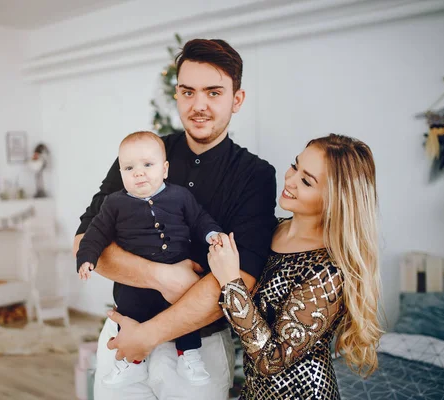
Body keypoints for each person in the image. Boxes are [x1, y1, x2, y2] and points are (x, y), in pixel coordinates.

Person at [73, 38, 278, 400]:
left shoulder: (255, 175)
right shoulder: (141, 153)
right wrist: (162, 276)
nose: (198, 105)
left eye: (214, 92)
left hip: (200, 347)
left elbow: (242, 279)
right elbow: (83, 241)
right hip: (125, 331)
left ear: (237, 99)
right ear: (177, 95)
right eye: (188, 92)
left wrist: (149, 336)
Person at [207, 134, 383, 400]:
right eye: (295, 166)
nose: (289, 180)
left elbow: (271, 360)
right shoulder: (270, 228)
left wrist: (231, 283)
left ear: (334, 199)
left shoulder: (328, 270)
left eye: (306, 181)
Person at [76, 131, 223, 387]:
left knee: (184, 311)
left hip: (179, 270)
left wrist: (212, 234)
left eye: (147, 165)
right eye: (129, 168)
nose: (139, 173)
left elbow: (199, 219)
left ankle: (189, 355)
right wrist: (87, 257)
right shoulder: (114, 204)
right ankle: (130, 364)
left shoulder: (180, 196)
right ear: (120, 173)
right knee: (129, 310)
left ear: (164, 169)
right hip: (137, 282)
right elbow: (96, 232)